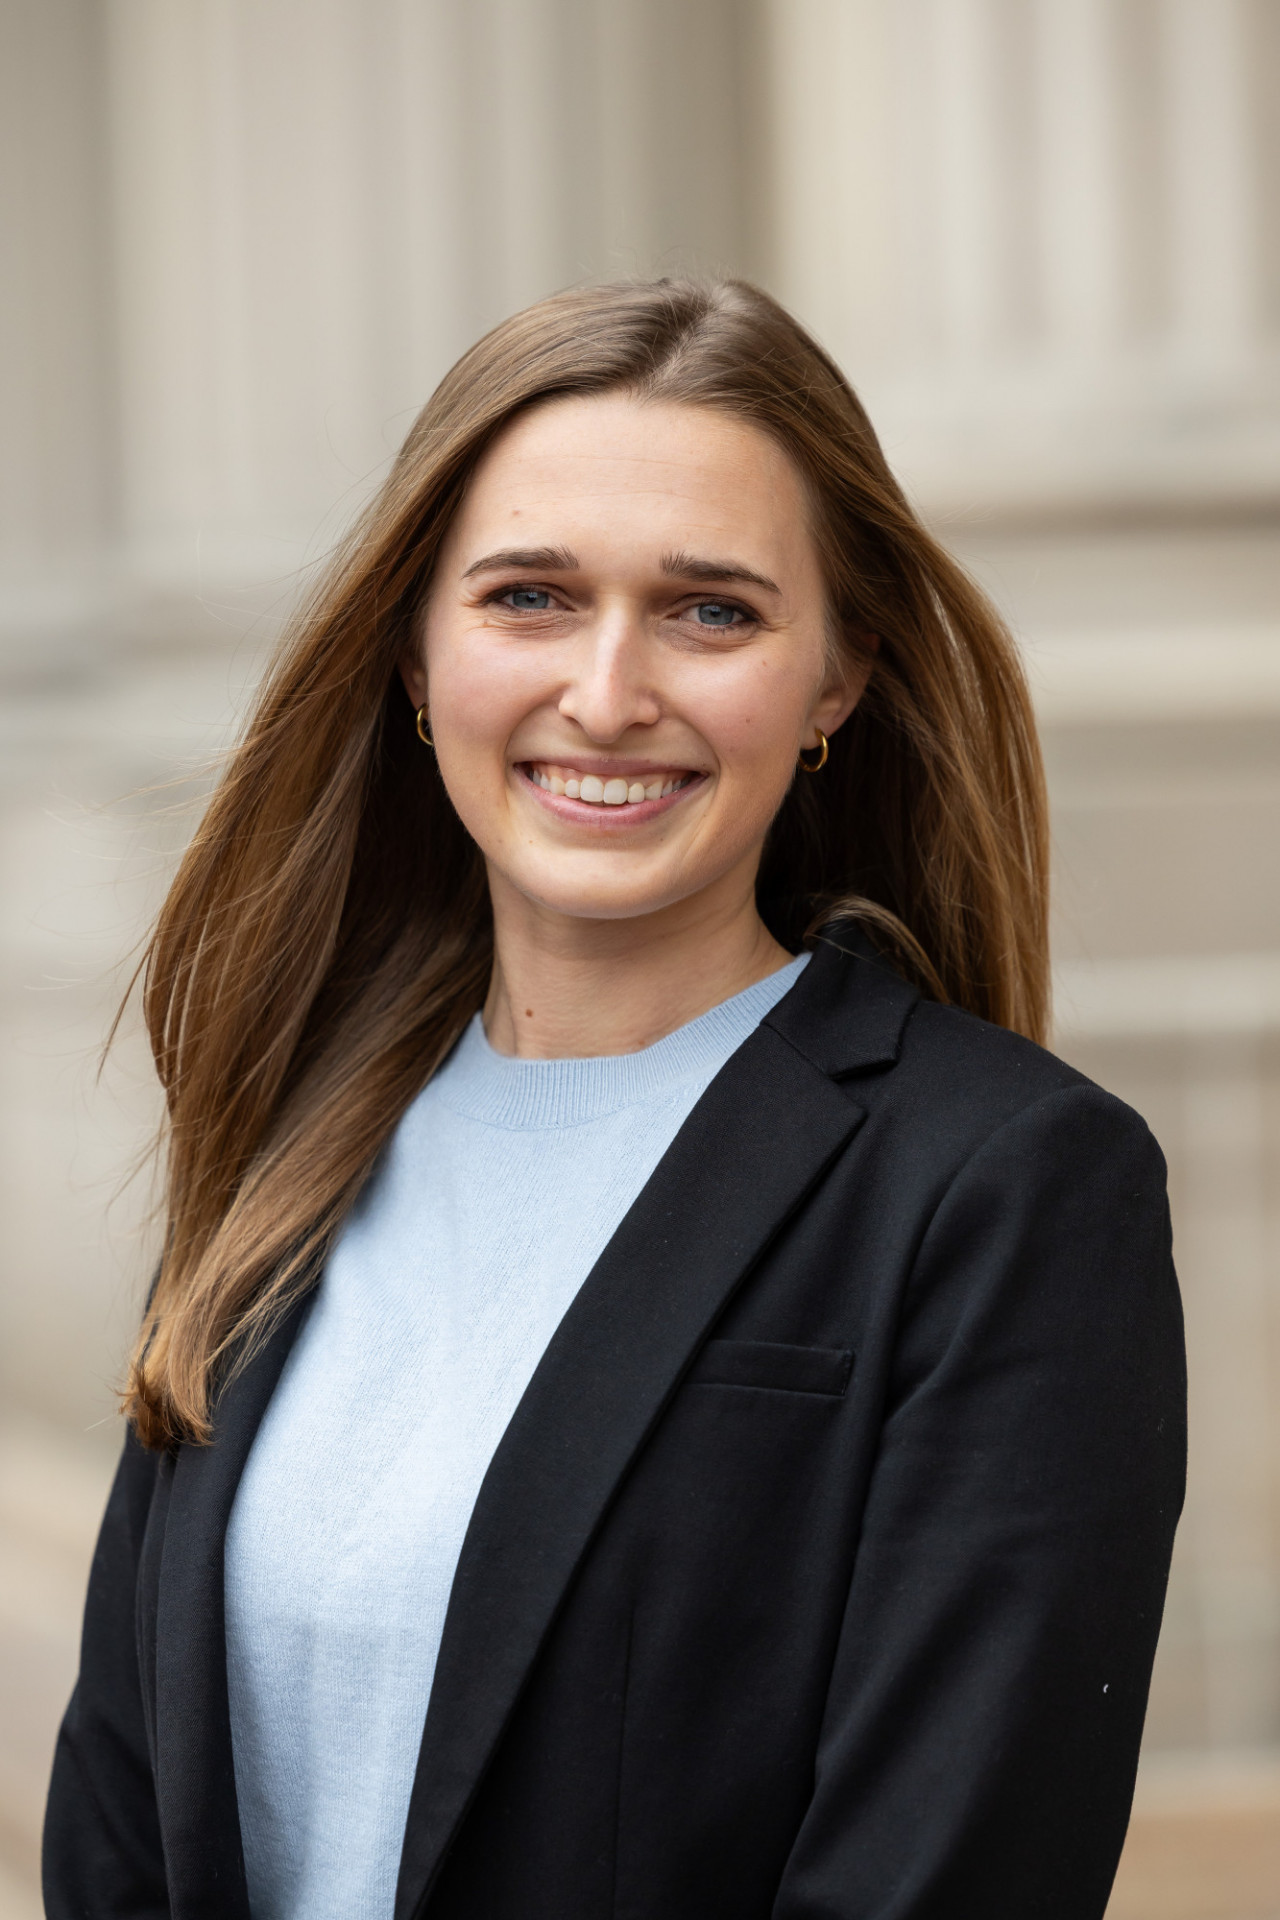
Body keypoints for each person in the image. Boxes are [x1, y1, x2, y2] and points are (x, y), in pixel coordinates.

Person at [43, 279, 1185, 1920]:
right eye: (529, 597)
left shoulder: (1002, 1187)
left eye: (711, 611)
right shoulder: (293, 1148)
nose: (608, 689)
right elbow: (122, 1839)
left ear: (838, 680)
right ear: (418, 658)